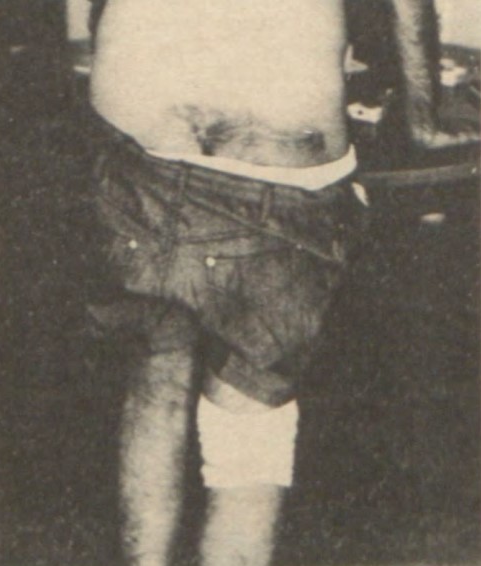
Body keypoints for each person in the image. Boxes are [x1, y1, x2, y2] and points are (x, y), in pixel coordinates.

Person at [86, 1, 478, 565]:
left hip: (139, 133)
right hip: (272, 157)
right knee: (248, 432)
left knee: (155, 382)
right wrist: (424, 119)